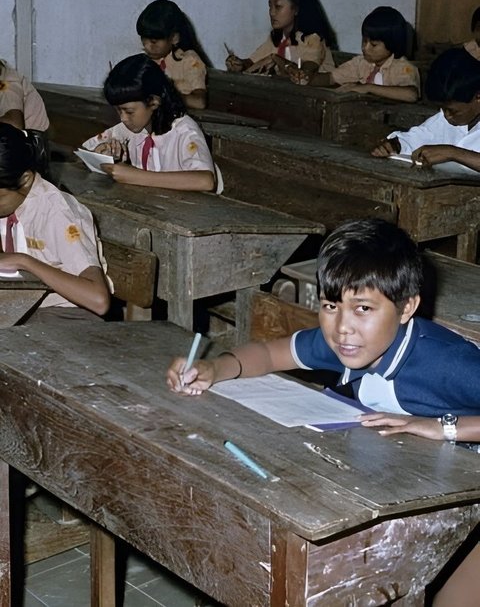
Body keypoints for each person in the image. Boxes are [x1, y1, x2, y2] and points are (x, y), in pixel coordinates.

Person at [167, 218, 480, 427]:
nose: (342, 326)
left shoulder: (445, 361)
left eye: (364, 309)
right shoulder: (348, 342)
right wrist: (213, 369)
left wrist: (441, 428)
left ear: (407, 307)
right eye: (331, 305)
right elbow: (269, 354)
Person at [0, 122, 110, 322]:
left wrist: (23, 261)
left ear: (25, 180)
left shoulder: (58, 213)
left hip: (66, 314)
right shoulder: (10, 201)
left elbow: (98, 300)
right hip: (20, 306)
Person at [82, 54, 217, 191]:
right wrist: (102, 155)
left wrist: (134, 175)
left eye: (129, 111)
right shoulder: (128, 129)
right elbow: (85, 151)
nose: (123, 118)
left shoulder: (184, 131)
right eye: (118, 111)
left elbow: (205, 181)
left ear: (154, 102)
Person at [372, 46, 480, 171]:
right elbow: (420, 136)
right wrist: (395, 145)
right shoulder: (446, 119)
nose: (447, 115)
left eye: (453, 111)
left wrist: (452, 153)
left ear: (478, 97)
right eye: (443, 109)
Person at [291, 6, 420, 103]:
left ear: (393, 43)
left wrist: (368, 88)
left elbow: (411, 94)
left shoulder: (403, 67)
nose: (365, 48)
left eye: (373, 44)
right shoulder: (361, 63)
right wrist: (306, 78)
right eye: (364, 41)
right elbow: (331, 78)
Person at [225, 0, 336, 80]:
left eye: (278, 6)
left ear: (297, 9)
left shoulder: (313, 39)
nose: (272, 13)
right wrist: (240, 64)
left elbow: (303, 75)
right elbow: (252, 62)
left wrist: (277, 60)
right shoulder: (278, 37)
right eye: (270, 6)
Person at [136, 0, 208, 110]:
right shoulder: (147, 61)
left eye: (154, 41)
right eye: (143, 39)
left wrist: (167, 97)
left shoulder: (190, 61)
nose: (147, 46)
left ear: (174, 38)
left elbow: (200, 103)